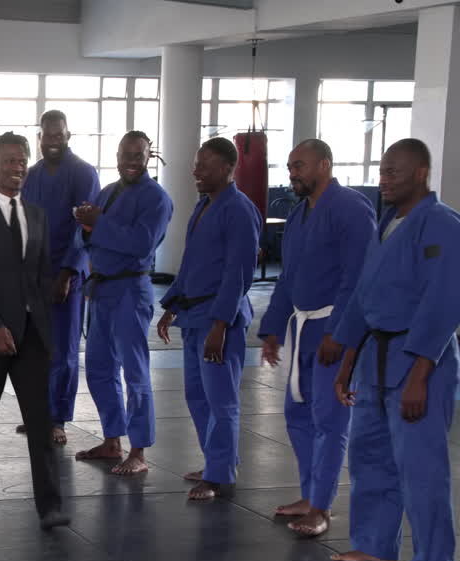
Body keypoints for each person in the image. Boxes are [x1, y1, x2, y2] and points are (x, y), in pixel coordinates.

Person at [330, 138, 460, 561]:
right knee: (369, 455)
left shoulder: (441, 225)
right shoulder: (388, 222)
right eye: (382, 171)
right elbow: (364, 299)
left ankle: (432, 559)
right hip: (374, 359)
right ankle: (376, 544)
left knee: (420, 465)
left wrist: (420, 376)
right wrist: (347, 362)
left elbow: (442, 303)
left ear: (421, 172)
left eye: (395, 172)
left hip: (419, 361)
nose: (384, 179)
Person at [257, 139, 376, 538]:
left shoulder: (352, 210)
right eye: (290, 166)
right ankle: (309, 494)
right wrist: (273, 330)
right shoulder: (297, 216)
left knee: (329, 418)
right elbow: (287, 278)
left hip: (331, 329)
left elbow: (356, 278)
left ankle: (322, 507)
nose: (293, 173)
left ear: (324, 164)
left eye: (301, 165)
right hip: (301, 327)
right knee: (298, 415)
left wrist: (340, 333)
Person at [0, 131, 69, 530]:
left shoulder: (37, 216)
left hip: (32, 337)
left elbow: (42, 278)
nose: (16, 167)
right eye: (8, 160)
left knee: (40, 421)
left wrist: (46, 335)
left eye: (21, 160)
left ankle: (50, 506)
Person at [157, 137, 261, 501]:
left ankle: (219, 475)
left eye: (205, 165)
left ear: (227, 168)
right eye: (196, 164)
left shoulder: (239, 209)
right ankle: (215, 461)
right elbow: (190, 264)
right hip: (193, 314)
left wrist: (221, 324)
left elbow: (239, 272)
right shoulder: (204, 206)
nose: (196, 171)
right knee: (196, 396)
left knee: (222, 400)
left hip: (219, 319)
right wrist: (172, 305)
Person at [72, 131, 173, 476]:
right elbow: (86, 236)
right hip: (101, 290)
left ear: (149, 157)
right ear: (117, 155)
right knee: (100, 368)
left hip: (131, 290)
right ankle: (112, 439)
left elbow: (140, 243)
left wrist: (97, 223)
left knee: (135, 372)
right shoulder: (108, 192)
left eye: (139, 155)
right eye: (126, 154)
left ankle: (139, 450)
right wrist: (86, 226)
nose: (131, 161)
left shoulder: (156, 198)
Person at [18, 110, 100, 444]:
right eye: (46, 135)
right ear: (39, 137)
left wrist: (67, 273)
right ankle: (39, 412)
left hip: (65, 275)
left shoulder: (82, 173)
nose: (52, 140)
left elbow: (85, 228)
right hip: (33, 274)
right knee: (34, 349)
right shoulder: (32, 175)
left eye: (58, 135)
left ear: (68, 136)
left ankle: (58, 419)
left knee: (63, 351)